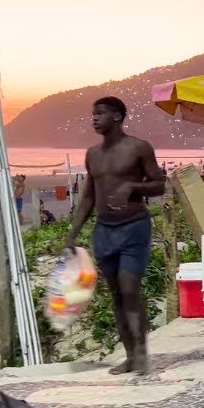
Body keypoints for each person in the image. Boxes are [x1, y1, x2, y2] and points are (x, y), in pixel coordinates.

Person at [65, 96, 165, 375]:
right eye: (93, 114)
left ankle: (142, 353)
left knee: (130, 289)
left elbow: (159, 185)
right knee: (117, 295)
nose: (94, 118)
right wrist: (73, 232)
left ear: (118, 116)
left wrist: (133, 187)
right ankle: (131, 356)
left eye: (100, 113)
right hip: (104, 231)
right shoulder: (92, 154)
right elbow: (88, 196)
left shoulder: (139, 148)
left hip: (134, 227)